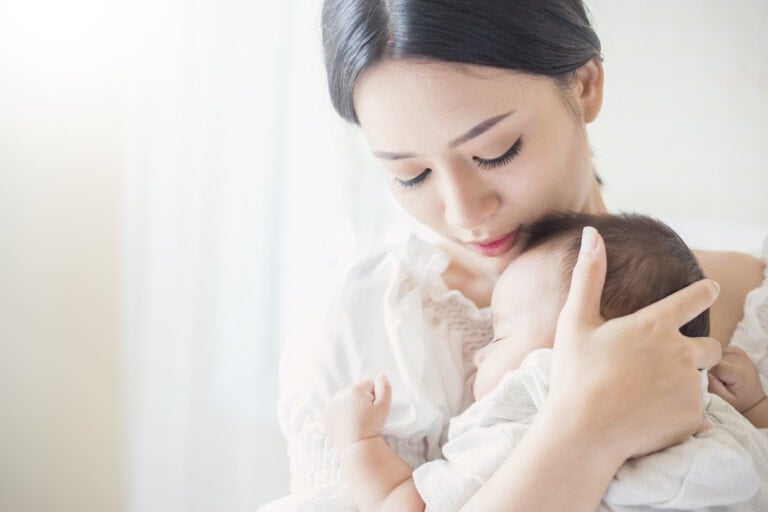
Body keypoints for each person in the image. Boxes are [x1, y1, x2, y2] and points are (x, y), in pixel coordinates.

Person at [262, 1, 768, 510]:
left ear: (585, 85)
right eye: (411, 175)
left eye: (495, 151)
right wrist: (584, 429)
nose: (464, 213)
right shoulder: (364, 326)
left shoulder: (755, 304)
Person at [322, 212, 768, 512]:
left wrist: (358, 444)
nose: (480, 351)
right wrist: (751, 409)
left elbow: (409, 506)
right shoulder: (699, 411)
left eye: (500, 333)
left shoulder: (518, 419)